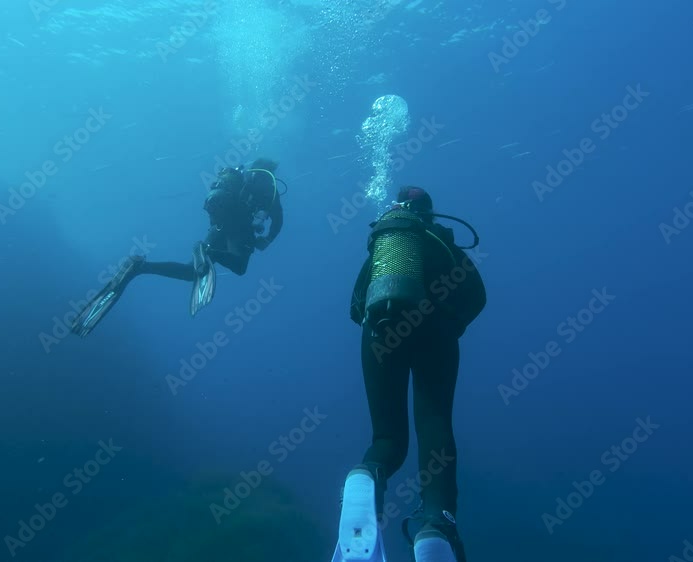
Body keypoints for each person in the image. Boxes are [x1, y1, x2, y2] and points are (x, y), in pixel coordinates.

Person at [330, 187, 485, 562]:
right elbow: (477, 295)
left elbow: (355, 306)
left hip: (380, 328)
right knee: (435, 423)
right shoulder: (440, 241)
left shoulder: (383, 249)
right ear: (429, 214)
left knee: (387, 439)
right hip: (437, 332)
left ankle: (365, 475)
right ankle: (436, 525)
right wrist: (451, 325)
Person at [70, 157, 284, 337]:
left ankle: (140, 267)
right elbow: (278, 220)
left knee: (192, 272)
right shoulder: (268, 183)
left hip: (219, 222)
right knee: (239, 266)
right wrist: (267, 239)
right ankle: (206, 252)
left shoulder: (243, 176)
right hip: (238, 225)